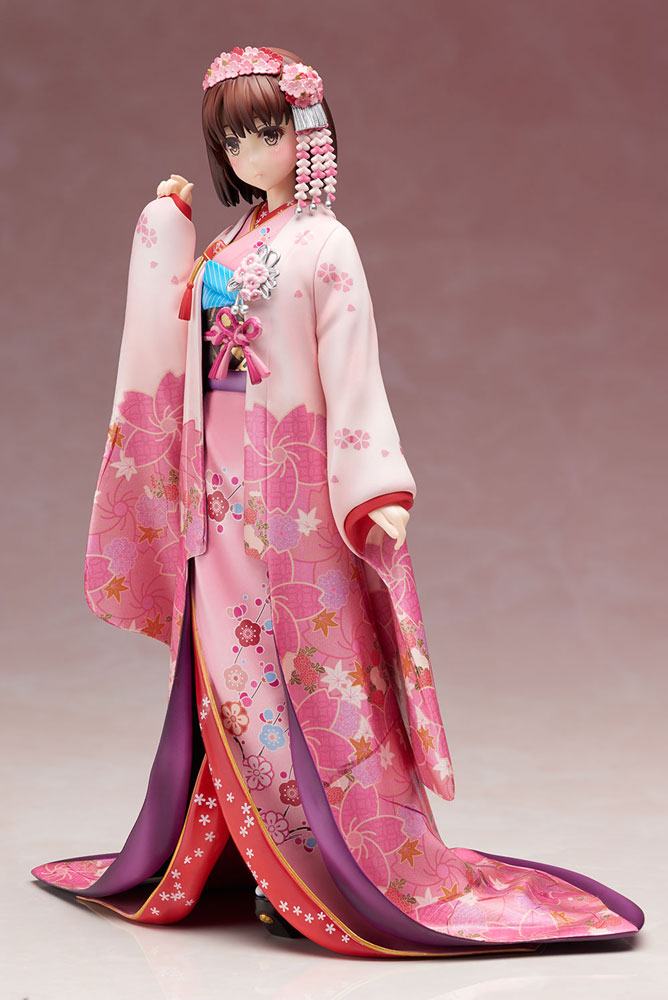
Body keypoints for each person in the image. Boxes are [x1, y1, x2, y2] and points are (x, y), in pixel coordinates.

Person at [31, 45, 644, 958]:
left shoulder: (326, 243)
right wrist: (164, 230)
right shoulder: (227, 244)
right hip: (215, 489)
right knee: (228, 672)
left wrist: (376, 487)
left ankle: (320, 868)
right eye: (232, 140)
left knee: (310, 672)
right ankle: (253, 859)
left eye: (265, 132)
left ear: (305, 132)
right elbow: (176, 338)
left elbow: (353, 371)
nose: (248, 153)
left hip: (293, 491)